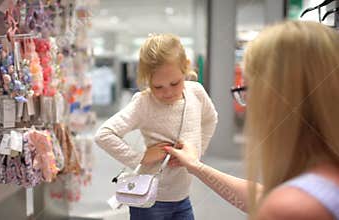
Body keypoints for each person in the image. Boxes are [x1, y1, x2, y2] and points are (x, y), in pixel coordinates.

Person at [164, 21, 339, 220]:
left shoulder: (294, 207)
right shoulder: (322, 179)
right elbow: (263, 196)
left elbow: (279, 203)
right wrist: (196, 166)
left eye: (247, 89)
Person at [95, 33, 218, 220]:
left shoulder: (196, 92)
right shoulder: (144, 102)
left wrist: (196, 153)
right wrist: (140, 157)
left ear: (186, 67)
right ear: (147, 80)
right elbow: (104, 134)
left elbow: (210, 119)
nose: (167, 92)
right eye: (158, 87)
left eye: (175, 83)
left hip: (183, 196)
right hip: (149, 199)